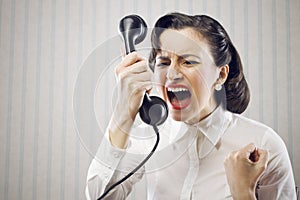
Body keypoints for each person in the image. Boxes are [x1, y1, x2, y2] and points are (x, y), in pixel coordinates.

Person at [85, 12, 296, 199]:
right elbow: (98, 197)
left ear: (221, 75)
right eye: (164, 63)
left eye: (188, 61)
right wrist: (123, 112)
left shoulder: (265, 145)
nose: (173, 74)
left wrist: (244, 193)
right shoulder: (150, 138)